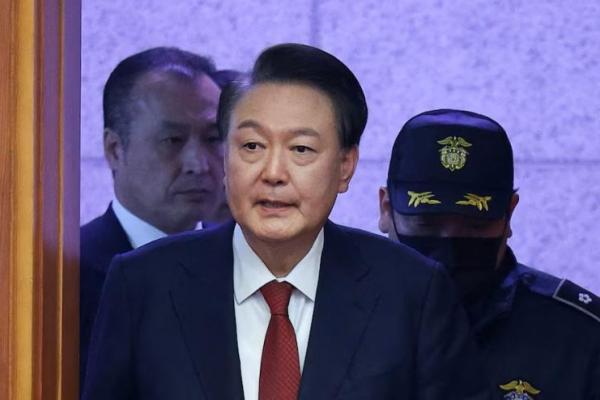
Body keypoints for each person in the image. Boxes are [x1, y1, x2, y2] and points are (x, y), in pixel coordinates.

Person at [82, 44, 491, 400]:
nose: (273, 172)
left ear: (345, 166)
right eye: (252, 146)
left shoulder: (412, 292)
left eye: (301, 149)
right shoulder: (143, 284)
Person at [379, 109, 600, 399]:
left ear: (510, 214)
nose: (448, 251)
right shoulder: (333, 315)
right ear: (386, 210)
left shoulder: (581, 338)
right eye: (427, 224)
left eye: (475, 226)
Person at [80, 47, 230, 383]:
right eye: (173, 140)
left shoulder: (247, 267)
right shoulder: (65, 277)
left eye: (213, 139)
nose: (198, 164)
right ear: (114, 149)